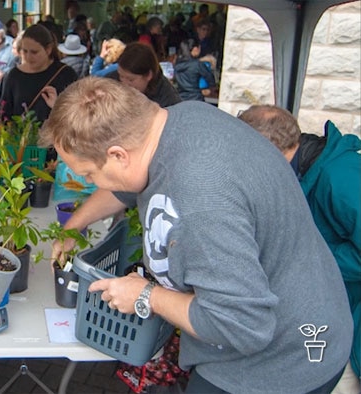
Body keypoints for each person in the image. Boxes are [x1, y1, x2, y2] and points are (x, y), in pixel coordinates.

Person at [41, 77, 352, 393]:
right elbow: (127, 185)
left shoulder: (200, 196)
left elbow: (241, 325)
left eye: (90, 174)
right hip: (303, 320)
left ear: (120, 155)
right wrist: (74, 225)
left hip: (278, 364)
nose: (95, 182)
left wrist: (146, 295)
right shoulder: (181, 119)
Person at [238, 105, 361, 394]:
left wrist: (309, 259)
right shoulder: (304, 171)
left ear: (268, 148)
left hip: (349, 329)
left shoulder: (340, 177)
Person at [108, 41, 181, 108]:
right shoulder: (110, 83)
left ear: (148, 75)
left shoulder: (168, 99)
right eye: (121, 76)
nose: (124, 83)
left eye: (131, 80)